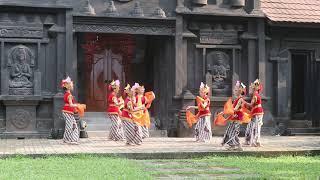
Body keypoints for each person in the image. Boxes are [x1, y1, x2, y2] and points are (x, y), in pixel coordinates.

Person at [221, 81, 246, 151]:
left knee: (234, 132)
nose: (234, 91)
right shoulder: (236, 99)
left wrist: (226, 110)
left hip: (237, 117)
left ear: (240, 91)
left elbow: (235, 108)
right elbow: (232, 108)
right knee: (230, 131)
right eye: (234, 90)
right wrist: (224, 111)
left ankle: (237, 145)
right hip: (234, 117)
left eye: (235, 90)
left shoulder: (240, 99)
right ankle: (233, 145)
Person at [244, 79, 264, 147]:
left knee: (255, 126)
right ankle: (254, 141)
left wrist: (244, 103)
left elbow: (251, 104)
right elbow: (251, 105)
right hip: (257, 112)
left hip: (257, 112)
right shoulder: (255, 95)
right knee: (255, 127)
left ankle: (253, 141)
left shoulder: (255, 95)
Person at [61, 76, 79, 145]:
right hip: (68, 112)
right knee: (70, 126)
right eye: (71, 85)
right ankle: (69, 139)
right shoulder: (69, 95)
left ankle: (69, 139)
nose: (72, 86)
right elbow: (71, 105)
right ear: (68, 86)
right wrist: (78, 105)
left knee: (72, 125)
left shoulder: (67, 94)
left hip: (68, 112)